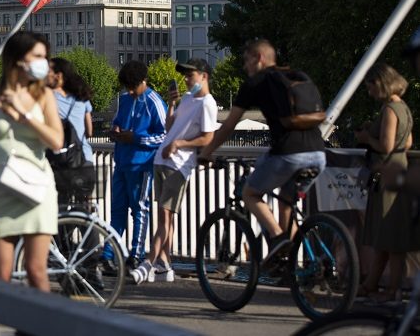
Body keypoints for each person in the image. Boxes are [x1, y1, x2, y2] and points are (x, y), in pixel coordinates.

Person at [199, 40, 326, 263]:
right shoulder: (298, 75)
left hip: (288, 153)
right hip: (318, 153)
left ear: (259, 58)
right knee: (286, 200)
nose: (245, 67)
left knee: (250, 193)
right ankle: (293, 266)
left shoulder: (255, 83)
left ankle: (277, 239)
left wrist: (207, 152)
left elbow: (229, 125)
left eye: (246, 61)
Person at [0, 32, 63, 336]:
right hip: (0, 193)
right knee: (0, 277)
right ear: (18, 59)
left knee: (37, 273)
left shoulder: (44, 95)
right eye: (38, 57)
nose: (44, 64)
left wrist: (23, 116)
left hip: (38, 191)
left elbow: (56, 140)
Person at [131, 58, 217, 285]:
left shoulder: (207, 103)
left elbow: (208, 137)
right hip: (163, 159)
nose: (187, 80)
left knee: (165, 216)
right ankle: (164, 264)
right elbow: (170, 126)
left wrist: (179, 144)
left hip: (179, 164)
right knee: (164, 216)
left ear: (204, 76)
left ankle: (148, 263)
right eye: (186, 76)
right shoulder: (187, 99)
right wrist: (172, 104)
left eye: (191, 76)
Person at [355, 62, 415, 302]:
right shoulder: (404, 108)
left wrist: (367, 137)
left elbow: (386, 146)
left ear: (380, 83)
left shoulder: (389, 109)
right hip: (401, 168)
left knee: (390, 236)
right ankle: (372, 284)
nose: (369, 92)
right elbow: (407, 143)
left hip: (387, 173)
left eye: (370, 87)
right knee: (390, 235)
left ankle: (391, 290)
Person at [107, 60, 167, 266]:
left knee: (139, 209)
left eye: (133, 87)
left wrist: (137, 139)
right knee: (117, 209)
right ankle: (109, 254)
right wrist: (115, 131)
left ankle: (136, 254)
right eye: (128, 88)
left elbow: (164, 135)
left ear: (143, 81)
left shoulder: (155, 102)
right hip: (122, 161)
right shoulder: (124, 100)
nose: (130, 91)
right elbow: (117, 122)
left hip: (141, 165)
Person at [47, 57, 96, 205]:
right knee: (84, 208)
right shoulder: (81, 97)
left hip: (61, 161)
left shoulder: (47, 97)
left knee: (61, 207)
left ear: (58, 75)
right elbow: (89, 132)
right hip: (84, 158)